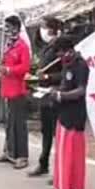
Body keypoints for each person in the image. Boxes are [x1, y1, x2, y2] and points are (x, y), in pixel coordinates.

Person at [47, 34, 89, 189]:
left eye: (61, 53)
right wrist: (54, 91)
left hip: (75, 115)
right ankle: (60, 185)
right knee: (61, 152)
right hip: (64, 113)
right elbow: (65, 84)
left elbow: (81, 90)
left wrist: (61, 95)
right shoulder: (67, 64)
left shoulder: (81, 66)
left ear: (69, 50)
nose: (59, 57)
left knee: (73, 154)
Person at [0, 15, 31, 169]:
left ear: (16, 27)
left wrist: (9, 70)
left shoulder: (22, 46)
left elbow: (25, 68)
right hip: (7, 89)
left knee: (19, 124)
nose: (6, 30)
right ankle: (9, 151)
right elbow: (4, 63)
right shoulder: (8, 45)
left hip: (18, 90)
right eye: (5, 27)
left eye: (9, 27)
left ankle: (22, 156)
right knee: (9, 123)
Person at [27, 17, 62, 177]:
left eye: (43, 26)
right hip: (44, 95)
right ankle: (44, 163)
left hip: (55, 95)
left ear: (52, 29)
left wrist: (47, 77)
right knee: (46, 132)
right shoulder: (48, 47)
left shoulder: (60, 47)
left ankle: (59, 171)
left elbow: (64, 73)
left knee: (57, 134)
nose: (41, 30)